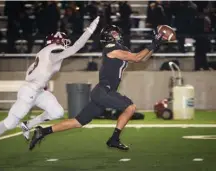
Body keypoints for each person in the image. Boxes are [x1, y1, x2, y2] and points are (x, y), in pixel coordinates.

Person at [0, 17, 100, 164]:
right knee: (10, 123)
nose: (66, 45)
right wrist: (90, 30)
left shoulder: (46, 51)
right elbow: (76, 47)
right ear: (58, 42)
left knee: (57, 112)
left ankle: (28, 124)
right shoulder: (54, 51)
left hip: (38, 90)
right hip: (29, 91)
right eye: (64, 42)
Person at [29, 25, 165, 151]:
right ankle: (114, 139)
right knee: (130, 107)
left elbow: (142, 59)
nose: (118, 35)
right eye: (115, 33)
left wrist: (156, 44)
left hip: (101, 92)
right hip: (104, 91)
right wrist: (154, 42)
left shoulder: (118, 50)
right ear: (111, 36)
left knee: (78, 122)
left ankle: (43, 131)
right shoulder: (112, 48)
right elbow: (136, 58)